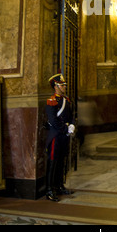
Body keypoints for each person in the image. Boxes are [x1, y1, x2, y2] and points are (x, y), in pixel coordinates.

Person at [45, 73, 75, 202]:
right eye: (62, 85)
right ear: (56, 86)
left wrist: (72, 125)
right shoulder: (51, 101)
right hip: (56, 136)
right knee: (53, 163)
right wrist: (65, 129)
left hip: (64, 136)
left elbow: (71, 115)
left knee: (62, 162)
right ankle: (50, 189)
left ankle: (59, 186)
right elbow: (53, 120)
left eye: (64, 85)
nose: (64, 87)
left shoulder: (66, 100)